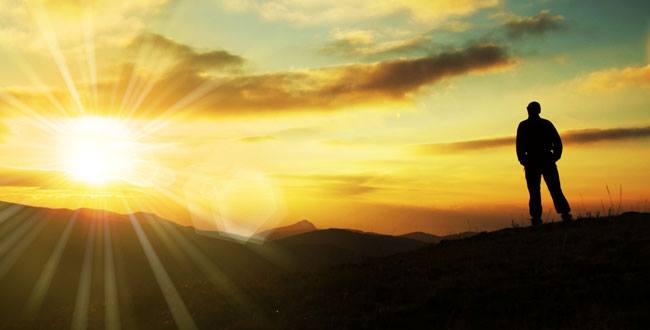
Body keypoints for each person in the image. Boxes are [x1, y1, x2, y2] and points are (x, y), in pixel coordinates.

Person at [516, 101, 572, 225]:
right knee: (539, 190)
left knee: (551, 188)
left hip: (543, 160)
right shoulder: (534, 125)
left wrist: (554, 157)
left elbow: (557, 142)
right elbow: (519, 146)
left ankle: (561, 214)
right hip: (537, 161)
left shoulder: (532, 125)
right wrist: (523, 160)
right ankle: (540, 217)